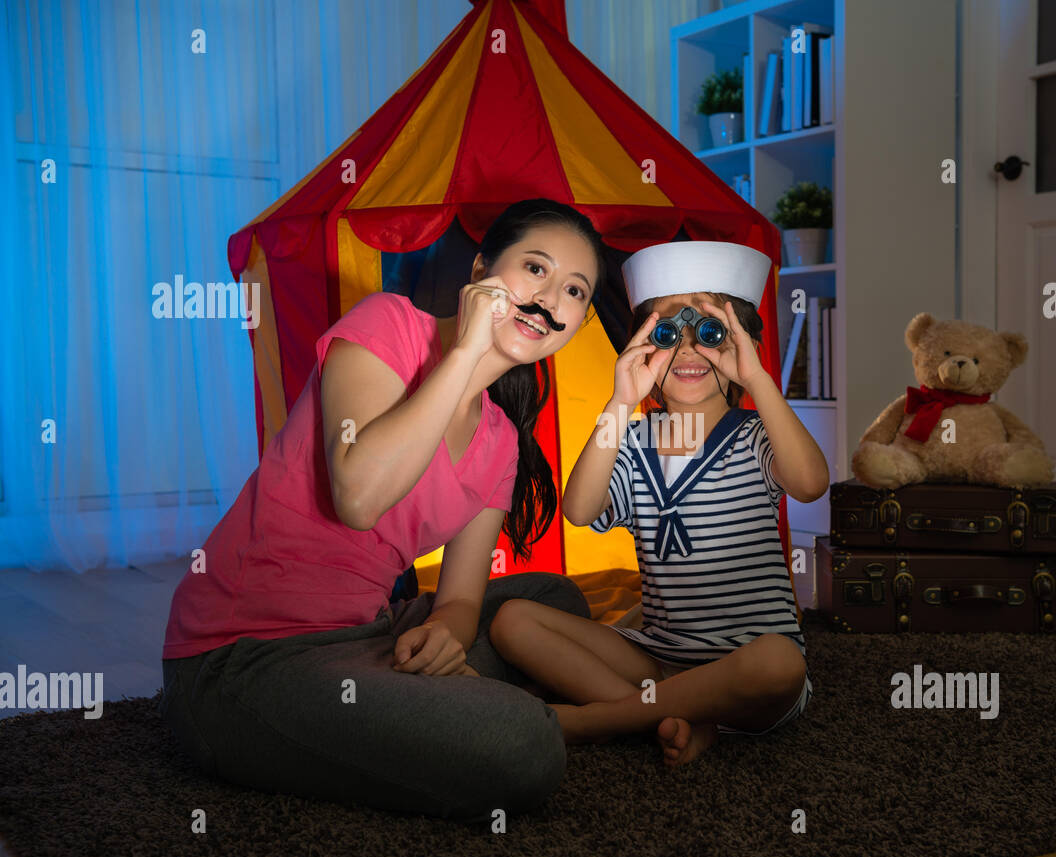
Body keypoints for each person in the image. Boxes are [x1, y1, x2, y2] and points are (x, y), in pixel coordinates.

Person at [159, 198, 604, 820]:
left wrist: (444, 637)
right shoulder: (388, 326)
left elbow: (461, 601)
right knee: (523, 747)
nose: (550, 296)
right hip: (244, 659)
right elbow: (359, 496)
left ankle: (426, 701)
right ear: (480, 271)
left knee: (554, 601)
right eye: (535, 268)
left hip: (366, 634)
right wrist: (466, 355)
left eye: (574, 290)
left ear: (577, 324)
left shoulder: (501, 443)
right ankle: (515, 713)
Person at [489, 241, 830, 766]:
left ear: (741, 346)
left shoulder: (756, 436)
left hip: (749, 668)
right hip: (660, 660)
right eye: (668, 333)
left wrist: (758, 379)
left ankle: (592, 720)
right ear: (643, 347)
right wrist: (621, 402)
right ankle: (682, 717)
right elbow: (581, 509)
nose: (690, 350)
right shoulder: (631, 439)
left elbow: (809, 483)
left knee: (781, 662)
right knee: (512, 620)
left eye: (712, 333)